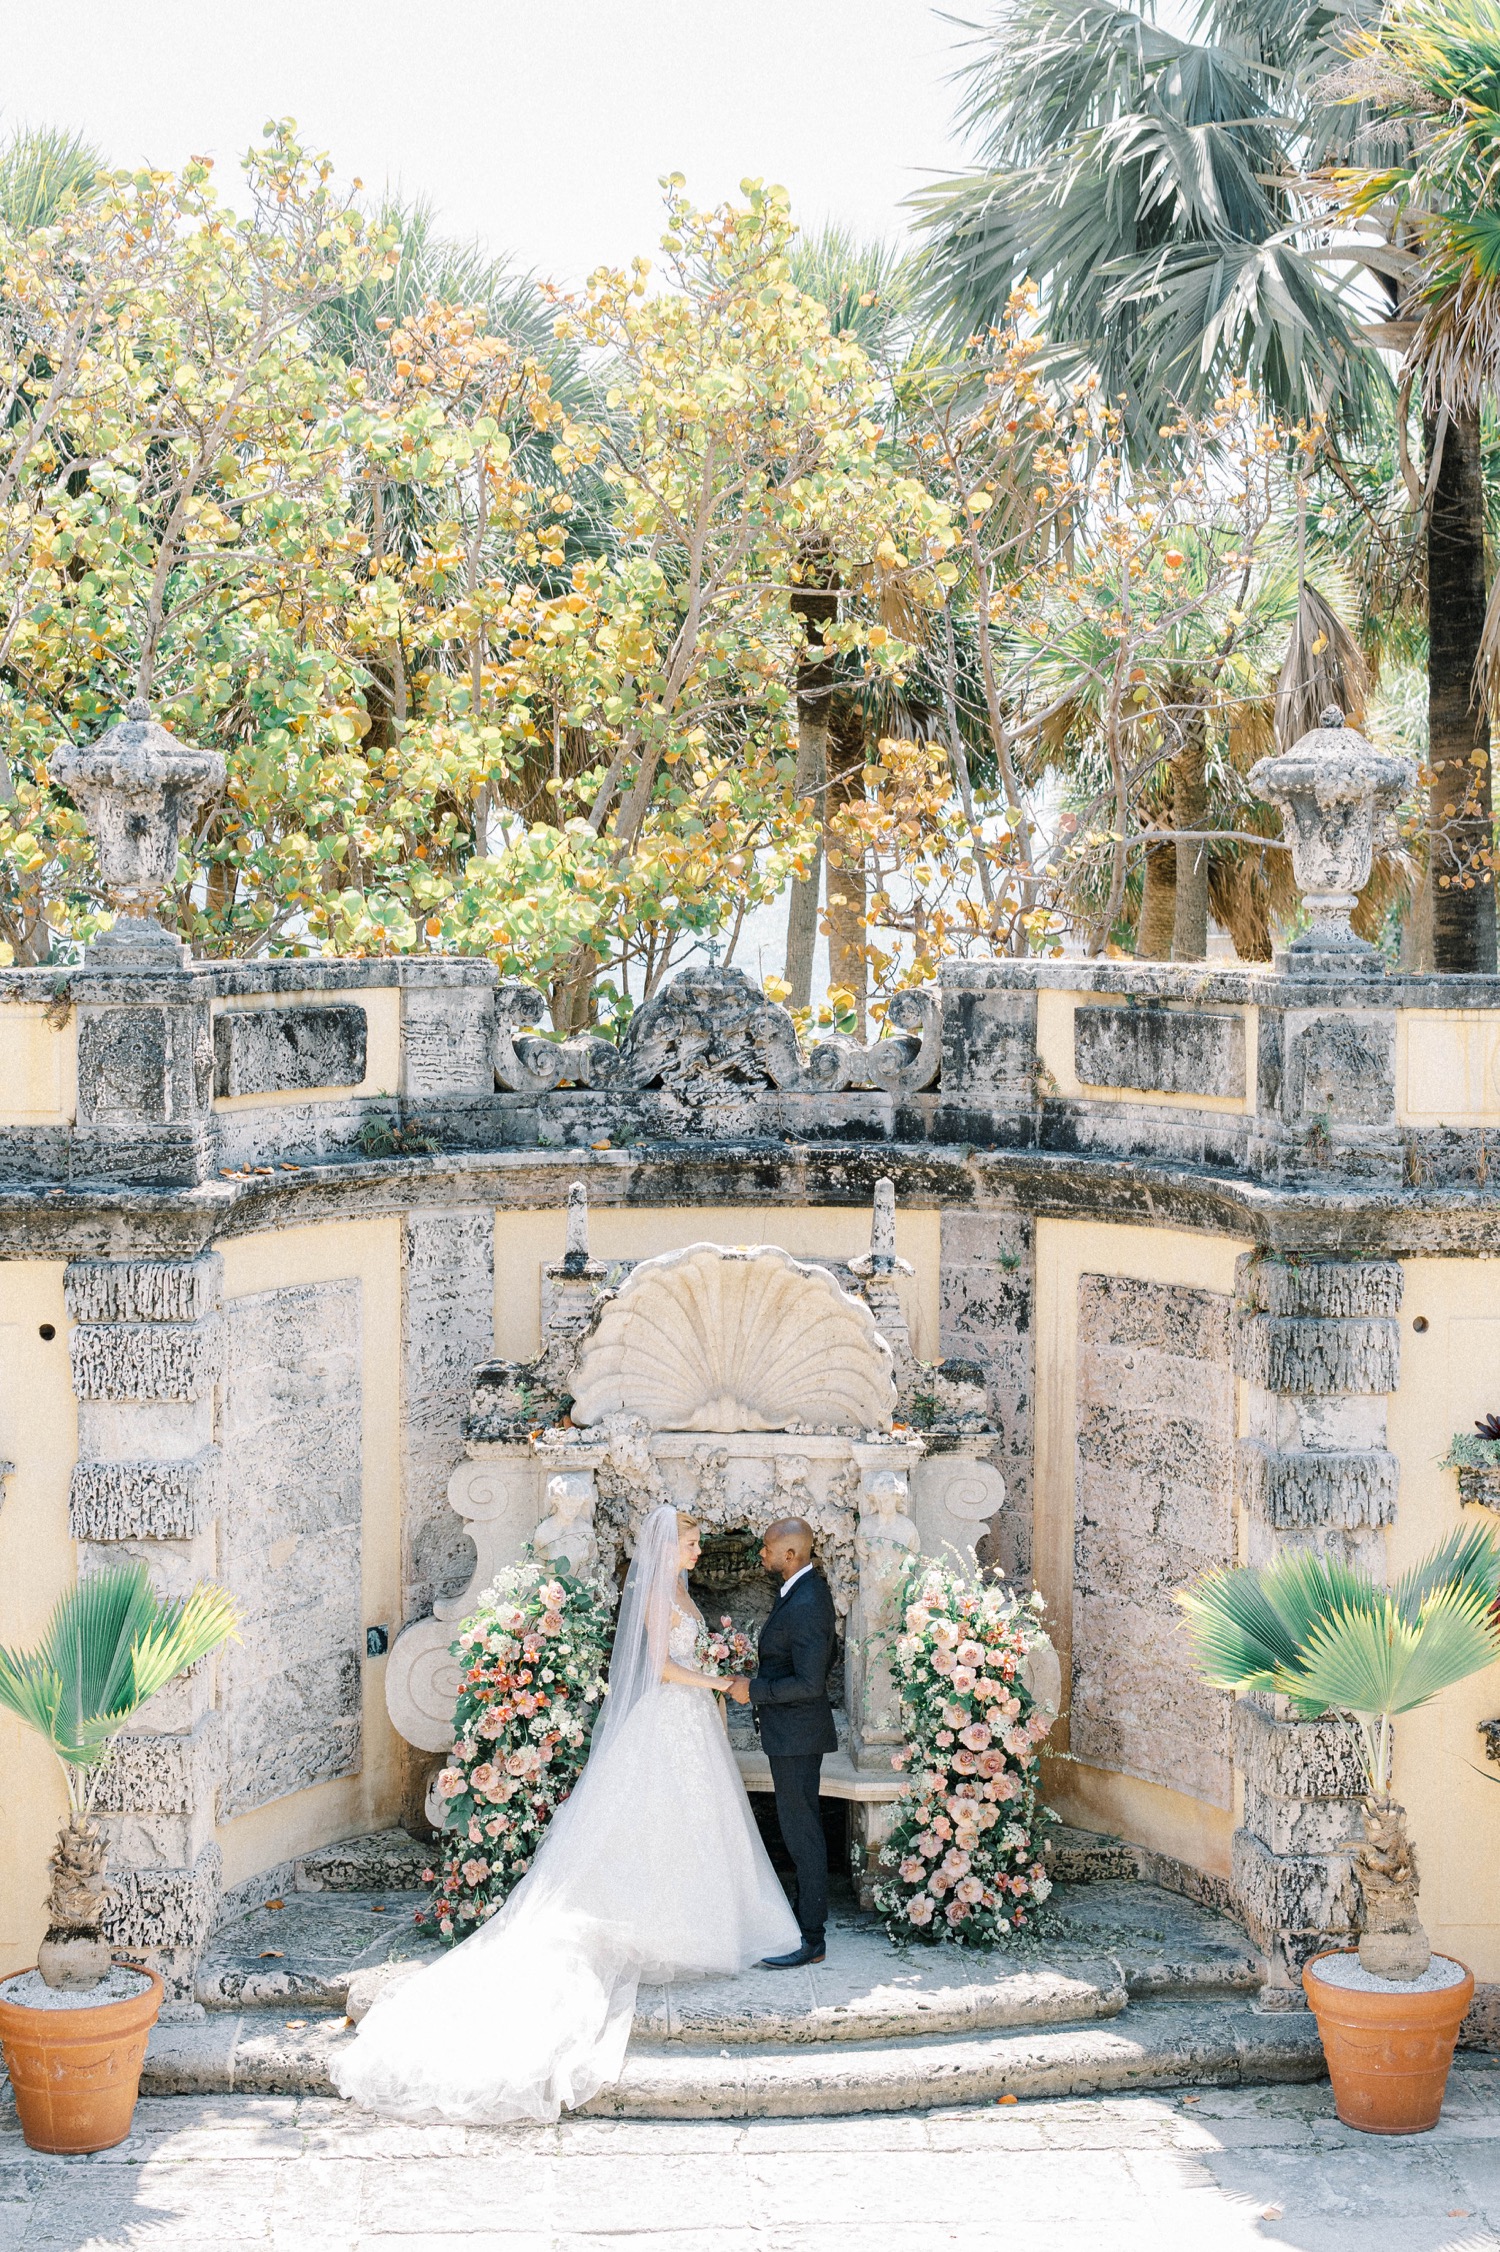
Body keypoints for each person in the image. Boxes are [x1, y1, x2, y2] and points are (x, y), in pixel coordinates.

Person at [332, 1505, 798, 2124]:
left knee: (690, 1828)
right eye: (689, 1543)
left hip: (691, 1727)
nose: (695, 1552)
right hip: (668, 1719)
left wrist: (712, 1672)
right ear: (668, 1547)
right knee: (654, 1822)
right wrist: (716, 1681)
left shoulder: (681, 1591)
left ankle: (689, 1918)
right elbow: (659, 1667)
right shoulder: (660, 1596)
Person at [726, 1514, 838, 1967]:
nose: (762, 1555)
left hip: (797, 1734)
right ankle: (803, 1921)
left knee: (803, 1832)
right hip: (790, 1732)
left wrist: (752, 1690)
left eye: (768, 1549)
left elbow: (811, 1683)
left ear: (790, 1555)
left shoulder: (808, 1599)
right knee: (799, 1827)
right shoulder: (799, 1591)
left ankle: (812, 1938)